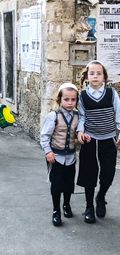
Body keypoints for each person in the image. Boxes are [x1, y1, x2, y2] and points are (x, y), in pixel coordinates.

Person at [77, 60, 120, 223]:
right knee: (89, 174)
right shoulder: (82, 96)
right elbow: (81, 117)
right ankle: (89, 207)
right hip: (90, 139)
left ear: (104, 77)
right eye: (92, 73)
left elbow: (119, 113)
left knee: (108, 174)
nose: (95, 76)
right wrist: (80, 132)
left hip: (108, 139)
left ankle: (101, 197)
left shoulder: (111, 93)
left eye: (99, 73)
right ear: (86, 76)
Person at [40, 83, 79, 226]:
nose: (69, 103)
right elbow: (44, 136)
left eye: (73, 100)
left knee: (69, 185)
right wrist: (48, 151)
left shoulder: (77, 116)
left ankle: (66, 205)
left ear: (76, 101)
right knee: (56, 186)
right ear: (59, 100)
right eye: (66, 99)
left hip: (71, 158)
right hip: (56, 157)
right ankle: (56, 211)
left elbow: (79, 132)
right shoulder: (54, 116)